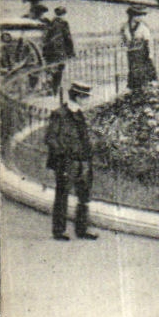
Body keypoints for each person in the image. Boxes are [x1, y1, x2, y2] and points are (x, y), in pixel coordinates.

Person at [46, 81, 98, 241]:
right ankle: (59, 231)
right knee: (62, 195)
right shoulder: (60, 114)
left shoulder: (80, 113)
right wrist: (64, 155)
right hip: (67, 162)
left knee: (84, 196)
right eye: (85, 97)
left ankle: (82, 230)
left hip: (83, 161)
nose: (87, 100)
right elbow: (51, 138)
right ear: (78, 96)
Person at [121, 6, 158, 95]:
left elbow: (147, 40)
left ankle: (145, 88)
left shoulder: (143, 27)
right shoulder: (125, 27)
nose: (140, 18)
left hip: (142, 52)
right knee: (133, 70)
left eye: (140, 15)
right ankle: (134, 89)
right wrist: (126, 44)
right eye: (137, 15)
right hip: (131, 52)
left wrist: (149, 54)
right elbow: (124, 39)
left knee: (143, 70)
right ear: (132, 16)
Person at [41, 4, 76, 97]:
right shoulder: (64, 23)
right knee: (58, 72)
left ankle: (50, 89)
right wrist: (71, 52)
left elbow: (46, 38)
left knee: (50, 70)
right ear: (64, 14)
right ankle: (55, 91)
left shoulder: (50, 22)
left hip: (49, 52)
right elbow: (68, 38)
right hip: (59, 52)